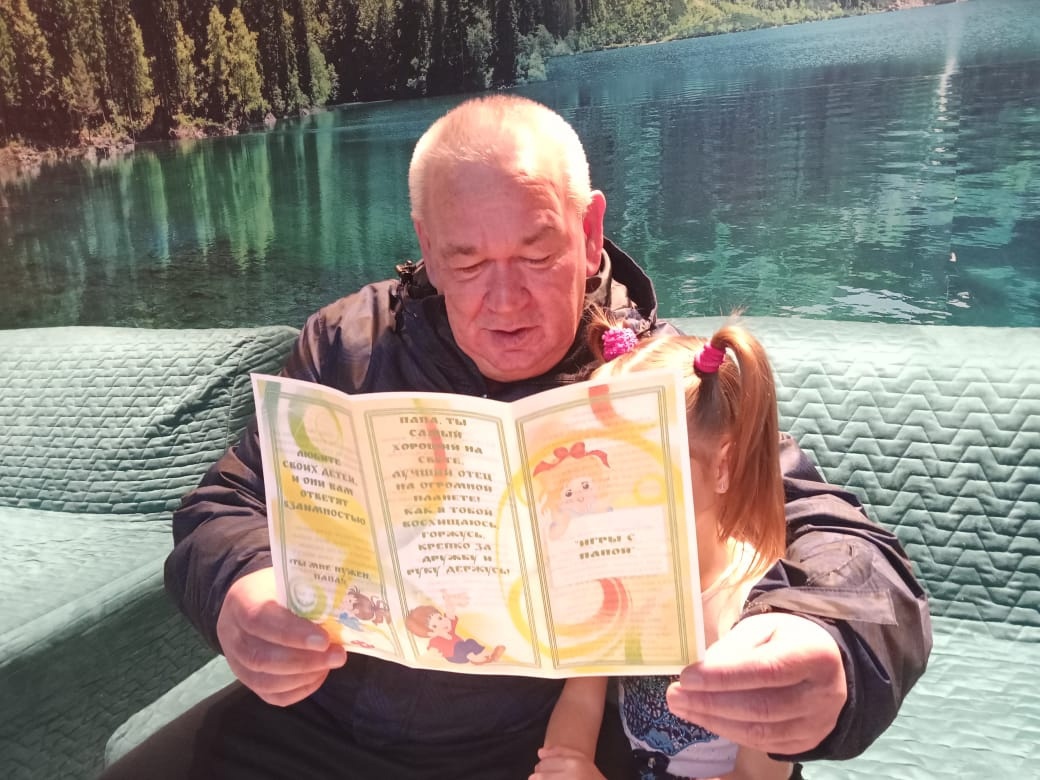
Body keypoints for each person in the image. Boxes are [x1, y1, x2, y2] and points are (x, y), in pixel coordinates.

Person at [103, 94, 930, 779]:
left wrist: (830, 637)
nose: (505, 302)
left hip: (527, 745)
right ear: (427, 247)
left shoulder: (654, 382)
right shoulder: (347, 346)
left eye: (537, 255)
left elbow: (834, 536)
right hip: (321, 722)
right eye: (467, 263)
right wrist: (243, 591)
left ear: (589, 230)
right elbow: (228, 502)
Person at [532, 314, 795, 780]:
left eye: (644, 468)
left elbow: (757, 776)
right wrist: (565, 761)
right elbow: (581, 698)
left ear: (723, 466)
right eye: (608, 472)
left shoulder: (760, 609)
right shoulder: (618, 574)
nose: (615, 500)